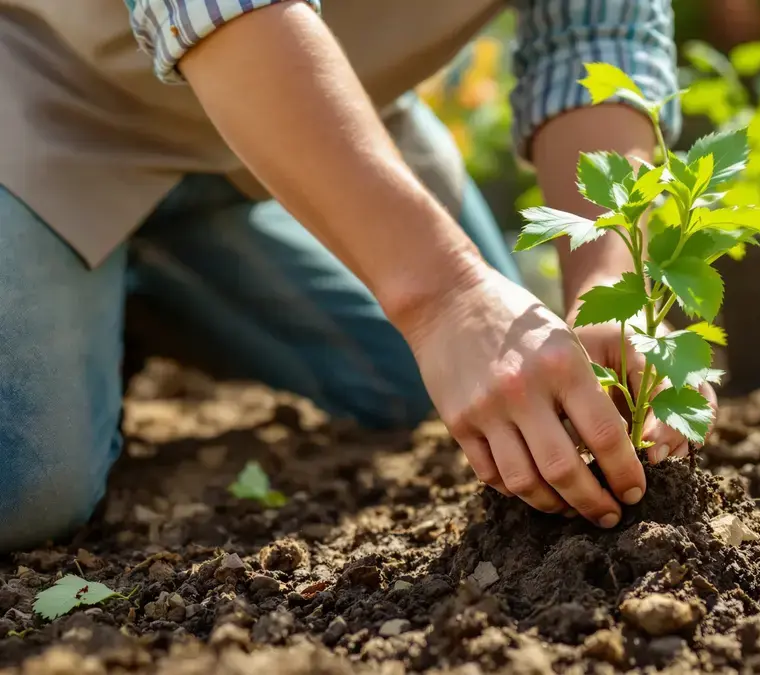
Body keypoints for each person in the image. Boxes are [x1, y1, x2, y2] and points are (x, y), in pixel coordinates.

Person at [0, 0, 718, 553]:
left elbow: (597, 38)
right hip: (50, 87)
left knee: (464, 388)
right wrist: (444, 296)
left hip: (315, 115)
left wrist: (605, 289)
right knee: (26, 488)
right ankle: (68, 263)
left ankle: (134, 280)